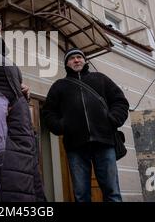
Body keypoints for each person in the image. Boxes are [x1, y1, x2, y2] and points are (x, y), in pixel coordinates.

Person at [0, 11, 46, 202]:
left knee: (27, 173)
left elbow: (7, 81)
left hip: (19, 125)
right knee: (12, 174)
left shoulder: (0, 54)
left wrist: (22, 88)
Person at [42, 48, 129, 202]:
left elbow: (120, 101)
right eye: (72, 58)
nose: (76, 60)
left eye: (79, 57)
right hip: (75, 146)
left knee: (112, 192)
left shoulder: (100, 79)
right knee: (81, 194)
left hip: (104, 142)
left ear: (85, 60)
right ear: (67, 63)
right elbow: (48, 112)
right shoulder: (60, 85)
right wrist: (61, 126)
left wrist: (114, 118)